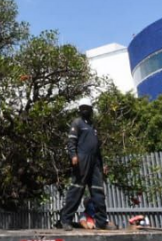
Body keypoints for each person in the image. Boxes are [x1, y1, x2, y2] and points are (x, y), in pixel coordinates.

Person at [55, 97, 115, 230]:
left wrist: (102, 164)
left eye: (86, 108)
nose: (84, 110)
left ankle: (101, 221)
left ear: (91, 109)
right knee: (76, 190)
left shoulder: (93, 126)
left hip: (95, 162)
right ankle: (65, 220)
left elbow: (97, 148)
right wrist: (73, 155)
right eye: (82, 108)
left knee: (98, 191)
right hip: (82, 160)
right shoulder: (77, 123)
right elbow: (71, 142)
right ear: (79, 109)